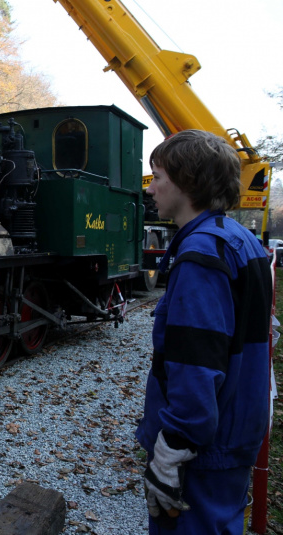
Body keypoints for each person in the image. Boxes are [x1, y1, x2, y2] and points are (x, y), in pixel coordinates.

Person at [137, 130, 273, 534]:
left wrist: (173, 447)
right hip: (236, 426)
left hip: (203, 448)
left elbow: (196, 361)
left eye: (157, 176)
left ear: (186, 181)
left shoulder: (201, 256)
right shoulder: (241, 240)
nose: (152, 188)